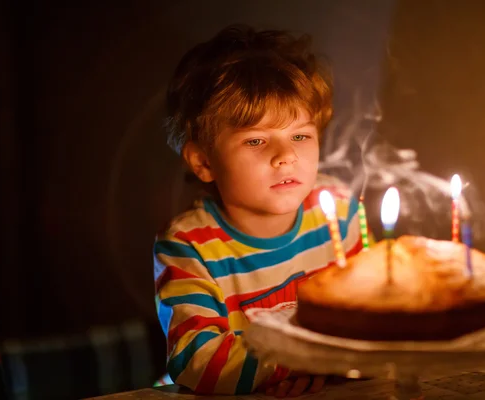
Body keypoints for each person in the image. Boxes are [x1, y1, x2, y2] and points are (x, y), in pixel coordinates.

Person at [153, 24, 364, 397]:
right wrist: (304, 358)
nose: (286, 156)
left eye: (300, 135)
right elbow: (195, 361)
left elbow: (372, 324)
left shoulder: (339, 213)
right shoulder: (189, 245)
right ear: (203, 161)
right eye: (256, 140)